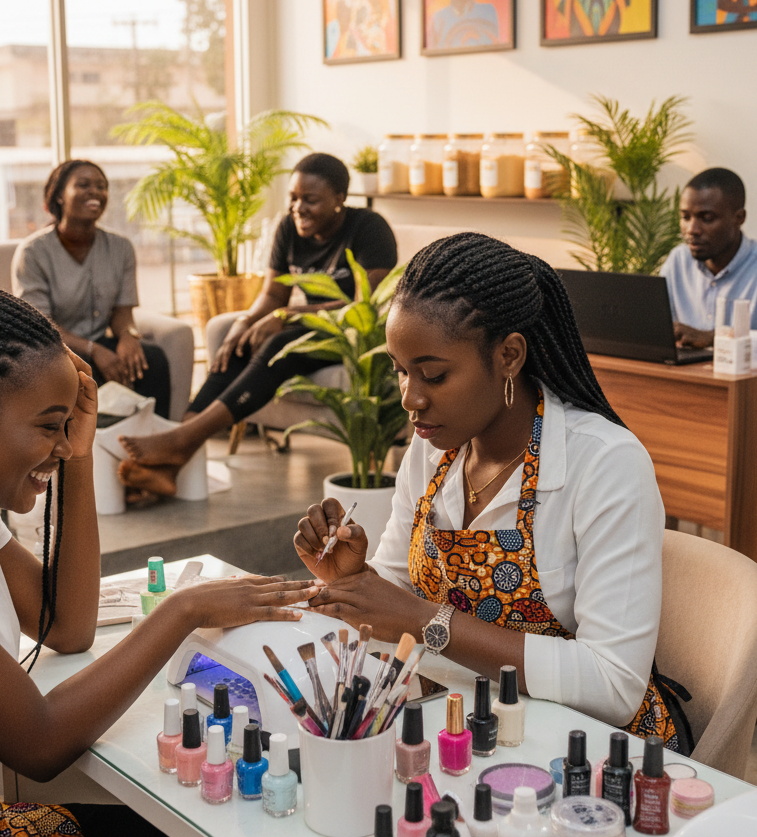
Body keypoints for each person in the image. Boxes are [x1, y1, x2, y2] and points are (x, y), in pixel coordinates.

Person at [0, 284, 315, 837]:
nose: (62, 445)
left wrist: (80, 456)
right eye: (48, 426)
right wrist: (181, 611)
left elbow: (65, 625)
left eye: (66, 426)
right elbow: (39, 742)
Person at [294, 233, 690, 748]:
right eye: (400, 372)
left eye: (433, 375)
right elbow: (396, 596)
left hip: (591, 749)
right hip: (465, 724)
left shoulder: (605, 463)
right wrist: (354, 580)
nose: (410, 399)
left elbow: (614, 685)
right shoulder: (434, 445)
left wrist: (427, 621)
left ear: (508, 355)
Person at [118, 152, 398, 496]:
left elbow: (364, 306)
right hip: (307, 326)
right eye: (293, 198)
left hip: (354, 338)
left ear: (339, 199)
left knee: (281, 347)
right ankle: (172, 457)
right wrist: (246, 322)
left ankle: (179, 441)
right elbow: (272, 294)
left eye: (310, 200)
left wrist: (284, 317)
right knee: (239, 342)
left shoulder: (369, 229)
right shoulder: (288, 228)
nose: (298, 207)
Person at [13, 159, 172, 419]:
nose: (95, 192)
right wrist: (94, 351)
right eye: (83, 185)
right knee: (81, 371)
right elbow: (41, 326)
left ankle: (154, 443)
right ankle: (83, 454)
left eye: (101, 186)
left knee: (151, 361)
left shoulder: (121, 248)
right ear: (60, 196)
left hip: (100, 342)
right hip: (53, 349)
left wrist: (128, 337)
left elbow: (122, 314)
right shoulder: (33, 252)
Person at [660, 167, 757, 352]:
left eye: (706, 218)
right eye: (685, 217)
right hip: (688, 376)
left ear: (739, 218)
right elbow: (659, 330)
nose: (692, 229)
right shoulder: (678, 260)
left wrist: (713, 338)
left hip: (747, 379)